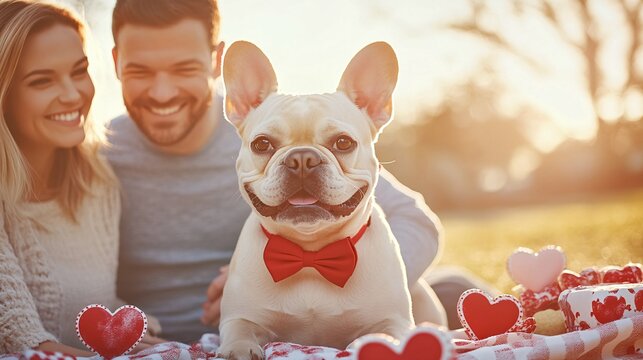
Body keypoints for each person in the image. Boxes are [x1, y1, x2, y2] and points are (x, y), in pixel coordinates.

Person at [107, 0, 488, 344]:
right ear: (115, 63)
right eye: (140, 70)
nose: (162, 91)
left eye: (183, 68)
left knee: (467, 295)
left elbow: (415, 220)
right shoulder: (99, 155)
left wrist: (363, 283)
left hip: (363, 309)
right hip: (226, 329)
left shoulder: (276, 119)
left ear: (216, 61)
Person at [0, 0, 164, 354]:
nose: (73, 94)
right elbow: (27, 342)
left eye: (79, 70)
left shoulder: (98, 184)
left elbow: (80, 306)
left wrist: (131, 326)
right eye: (41, 81)